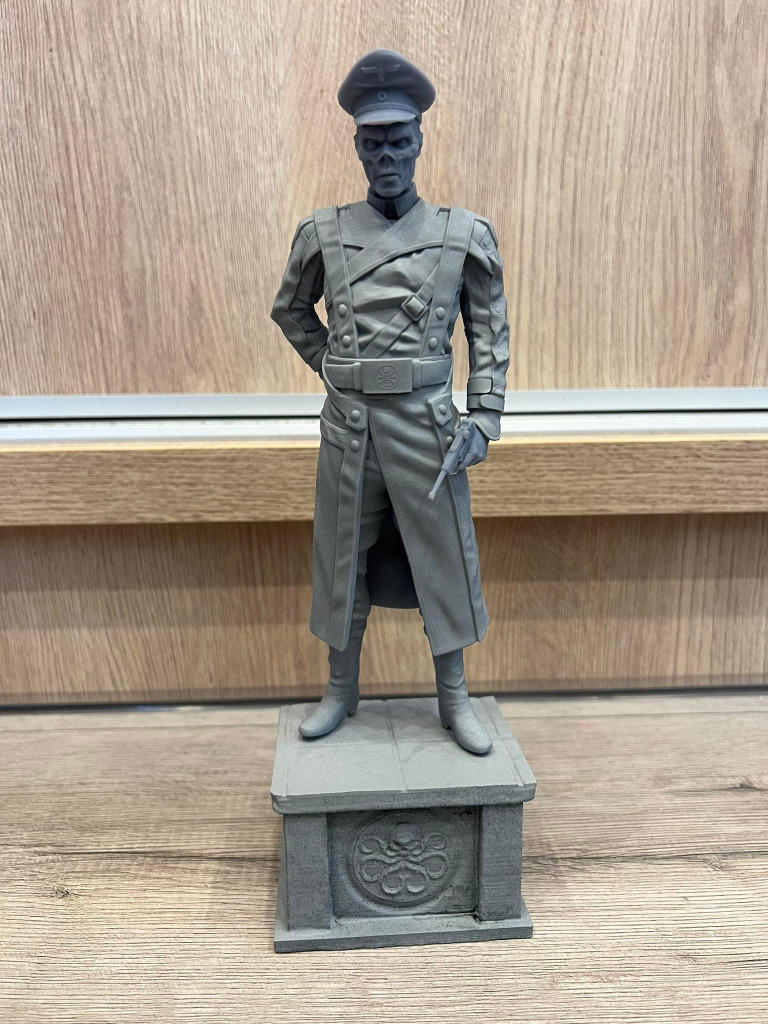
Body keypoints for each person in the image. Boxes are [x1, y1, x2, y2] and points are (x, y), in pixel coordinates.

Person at [271, 49, 509, 754]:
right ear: (356, 146)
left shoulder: (462, 235)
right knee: (340, 560)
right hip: (350, 427)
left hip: (427, 425)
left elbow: (489, 328)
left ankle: (454, 698)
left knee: (444, 560)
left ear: (419, 140)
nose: (386, 157)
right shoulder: (322, 233)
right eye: (372, 143)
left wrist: (485, 415)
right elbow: (290, 310)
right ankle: (339, 690)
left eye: (398, 141)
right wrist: (336, 367)